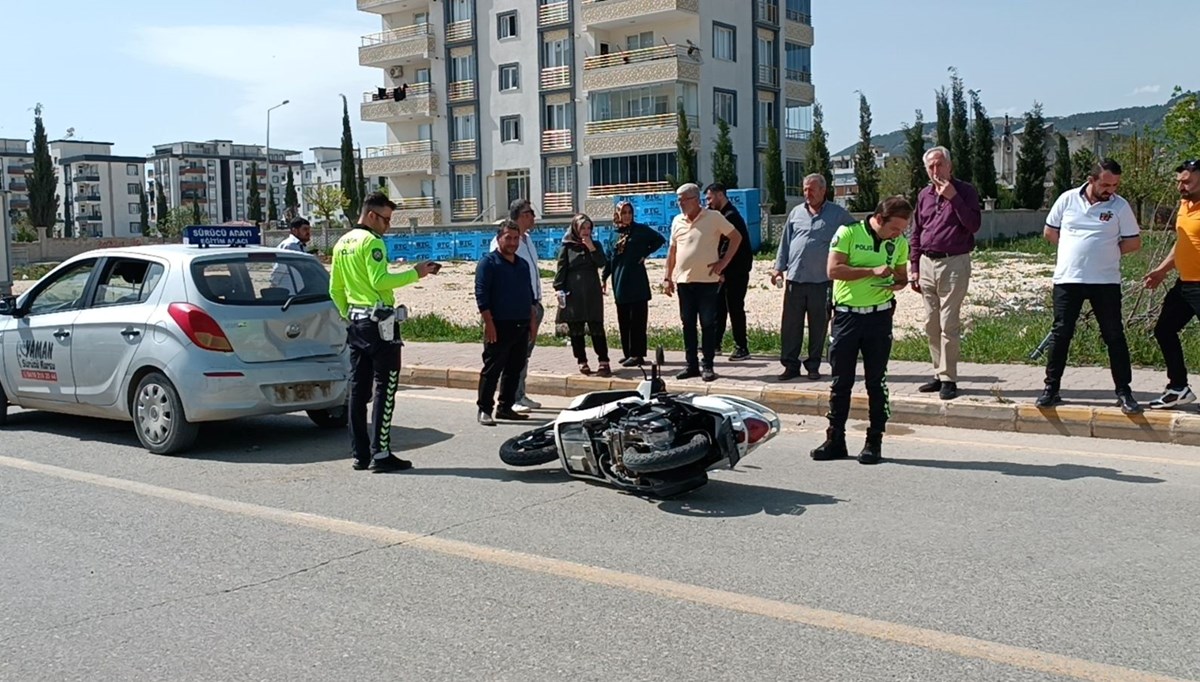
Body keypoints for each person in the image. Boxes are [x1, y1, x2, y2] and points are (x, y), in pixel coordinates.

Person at [329, 192, 437, 472]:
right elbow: (380, 280)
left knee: (357, 390)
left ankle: (360, 454)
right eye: (386, 220)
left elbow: (335, 289)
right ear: (372, 215)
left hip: (355, 323)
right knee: (385, 388)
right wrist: (416, 273)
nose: (388, 227)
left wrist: (348, 315)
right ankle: (381, 454)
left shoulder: (342, 243)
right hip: (380, 325)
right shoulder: (371, 242)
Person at [810, 196, 911, 465]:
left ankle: (874, 440)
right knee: (841, 382)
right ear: (879, 218)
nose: (898, 234)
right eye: (895, 228)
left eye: (902, 229)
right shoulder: (849, 233)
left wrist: (897, 282)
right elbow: (833, 269)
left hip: (879, 318)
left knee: (876, 383)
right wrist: (871, 271)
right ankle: (835, 439)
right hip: (847, 317)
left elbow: (901, 276)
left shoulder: (899, 243)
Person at [1038, 158, 1142, 414]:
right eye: (1106, 184)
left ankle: (1124, 392)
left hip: (1105, 282)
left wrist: (1104, 253)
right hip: (1068, 280)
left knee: (1114, 335)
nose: (1111, 190)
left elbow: (1133, 242)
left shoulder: (1120, 206)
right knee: (1061, 334)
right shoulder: (1067, 199)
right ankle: (1051, 389)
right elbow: (1050, 232)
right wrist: (1075, 252)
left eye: (1115, 185)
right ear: (1091, 179)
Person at [909, 146, 981, 401]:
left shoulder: (965, 191)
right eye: (931, 167)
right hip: (927, 263)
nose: (936, 171)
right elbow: (916, 232)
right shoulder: (924, 195)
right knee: (931, 323)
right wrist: (914, 267)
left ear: (950, 166)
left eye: (940, 165)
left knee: (948, 323)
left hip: (954, 263)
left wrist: (953, 197)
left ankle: (949, 378)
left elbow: (974, 225)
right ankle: (939, 373)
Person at [772, 174, 855, 381]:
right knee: (791, 326)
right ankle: (790, 365)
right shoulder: (796, 213)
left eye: (811, 189)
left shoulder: (838, 215)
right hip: (795, 280)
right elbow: (786, 242)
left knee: (818, 326)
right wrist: (778, 268)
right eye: (805, 189)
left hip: (822, 281)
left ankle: (813, 365)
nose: (807, 194)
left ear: (822, 191)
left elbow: (856, 236)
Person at [663, 183, 742, 382]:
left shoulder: (713, 217)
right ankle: (691, 365)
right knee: (687, 324)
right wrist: (667, 276)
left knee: (708, 324)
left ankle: (708, 365)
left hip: (707, 281)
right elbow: (672, 251)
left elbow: (736, 237)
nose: (679, 203)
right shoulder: (677, 221)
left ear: (695, 199)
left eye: (683, 199)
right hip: (684, 282)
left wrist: (723, 263)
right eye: (678, 200)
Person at [1143, 159, 1200, 409]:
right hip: (1185, 284)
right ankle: (1178, 388)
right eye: (1179, 181)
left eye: (1186, 181)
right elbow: (1182, 243)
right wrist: (1161, 271)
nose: (1181, 186)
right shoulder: (1184, 205)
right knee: (1164, 330)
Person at [476, 220, 538, 426]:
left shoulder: (522, 264)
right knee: (492, 369)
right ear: (499, 238)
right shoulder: (488, 263)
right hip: (498, 325)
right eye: (508, 238)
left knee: (515, 368)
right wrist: (489, 324)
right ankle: (485, 409)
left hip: (521, 324)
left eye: (515, 238)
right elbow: (482, 296)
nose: (512, 242)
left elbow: (529, 296)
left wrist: (532, 323)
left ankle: (506, 407)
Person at [490, 198, 543, 413]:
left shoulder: (527, 240)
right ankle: (510, 398)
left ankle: (520, 393)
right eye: (530, 212)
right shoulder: (502, 242)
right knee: (510, 357)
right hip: (513, 309)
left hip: (532, 305)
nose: (533, 217)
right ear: (521, 215)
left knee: (524, 354)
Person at [603, 200, 666, 367]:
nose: (627, 216)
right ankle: (628, 353)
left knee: (637, 320)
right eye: (623, 213)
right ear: (617, 214)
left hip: (636, 282)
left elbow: (659, 239)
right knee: (623, 320)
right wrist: (603, 278)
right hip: (620, 282)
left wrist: (645, 253)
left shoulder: (640, 230)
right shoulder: (614, 234)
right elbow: (610, 258)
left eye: (629, 212)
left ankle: (638, 354)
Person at [554, 214, 611, 376]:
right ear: (575, 229)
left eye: (588, 228)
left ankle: (603, 361)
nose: (586, 231)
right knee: (576, 327)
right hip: (574, 291)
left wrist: (591, 248)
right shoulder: (567, 247)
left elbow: (602, 263)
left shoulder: (596, 244)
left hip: (592, 290)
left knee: (596, 325)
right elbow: (561, 268)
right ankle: (582, 361)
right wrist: (559, 288)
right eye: (582, 228)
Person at [705, 183, 754, 361]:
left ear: (720, 195)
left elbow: (729, 245)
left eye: (710, 198)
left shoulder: (730, 216)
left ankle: (741, 346)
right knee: (719, 307)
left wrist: (722, 268)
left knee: (734, 307)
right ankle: (715, 343)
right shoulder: (722, 215)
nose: (708, 203)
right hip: (727, 270)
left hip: (737, 270)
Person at [271, 217, 312, 291]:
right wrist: (274, 286)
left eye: (309, 229)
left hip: (299, 290)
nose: (308, 232)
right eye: (305, 229)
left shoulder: (301, 245)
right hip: (287, 291)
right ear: (294, 231)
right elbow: (280, 268)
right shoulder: (290, 245)